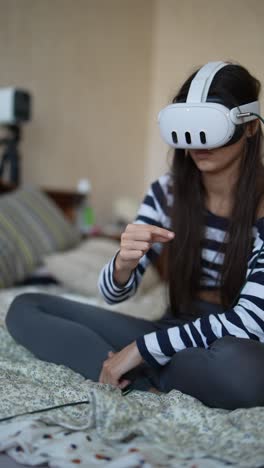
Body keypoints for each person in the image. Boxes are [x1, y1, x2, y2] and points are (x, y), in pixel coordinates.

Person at [5, 61, 264, 410]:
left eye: (210, 125)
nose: (198, 141)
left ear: (249, 128)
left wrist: (140, 350)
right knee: (25, 308)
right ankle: (141, 380)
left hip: (231, 343)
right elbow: (113, 295)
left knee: (247, 370)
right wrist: (124, 264)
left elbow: (250, 322)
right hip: (172, 331)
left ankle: (138, 369)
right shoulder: (167, 192)